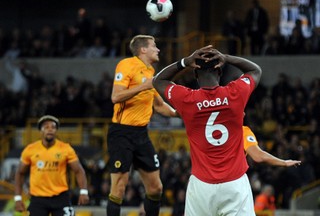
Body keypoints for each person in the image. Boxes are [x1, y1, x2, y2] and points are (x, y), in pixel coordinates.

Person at [153, 46, 262, 215]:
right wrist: (226, 57)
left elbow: (158, 81)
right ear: (219, 72)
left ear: (195, 75)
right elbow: (255, 70)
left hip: (201, 186)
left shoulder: (187, 99)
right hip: (234, 184)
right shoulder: (236, 93)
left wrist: (185, 62)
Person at [106, 35, 178, 216]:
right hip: (121, 133)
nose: (158, 49)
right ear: (143, 49)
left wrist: (185, 113)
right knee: (119, 188)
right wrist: (142, 87)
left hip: (141, 134)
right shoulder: (127, 64)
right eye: (154, 46)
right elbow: (115, 97)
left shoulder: (150, 72)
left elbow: (160, 106)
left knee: (156, 188)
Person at [14, 115, 89, 216]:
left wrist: (84, 191)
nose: (50, 130)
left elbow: (79, 170)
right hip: (38, 199)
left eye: (53, 127)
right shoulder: (30, 149)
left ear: (56, 131)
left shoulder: (65, 148)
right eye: (46, 127)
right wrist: (18, 198)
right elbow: (20, 173)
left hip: (61, 197)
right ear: (40, 131)